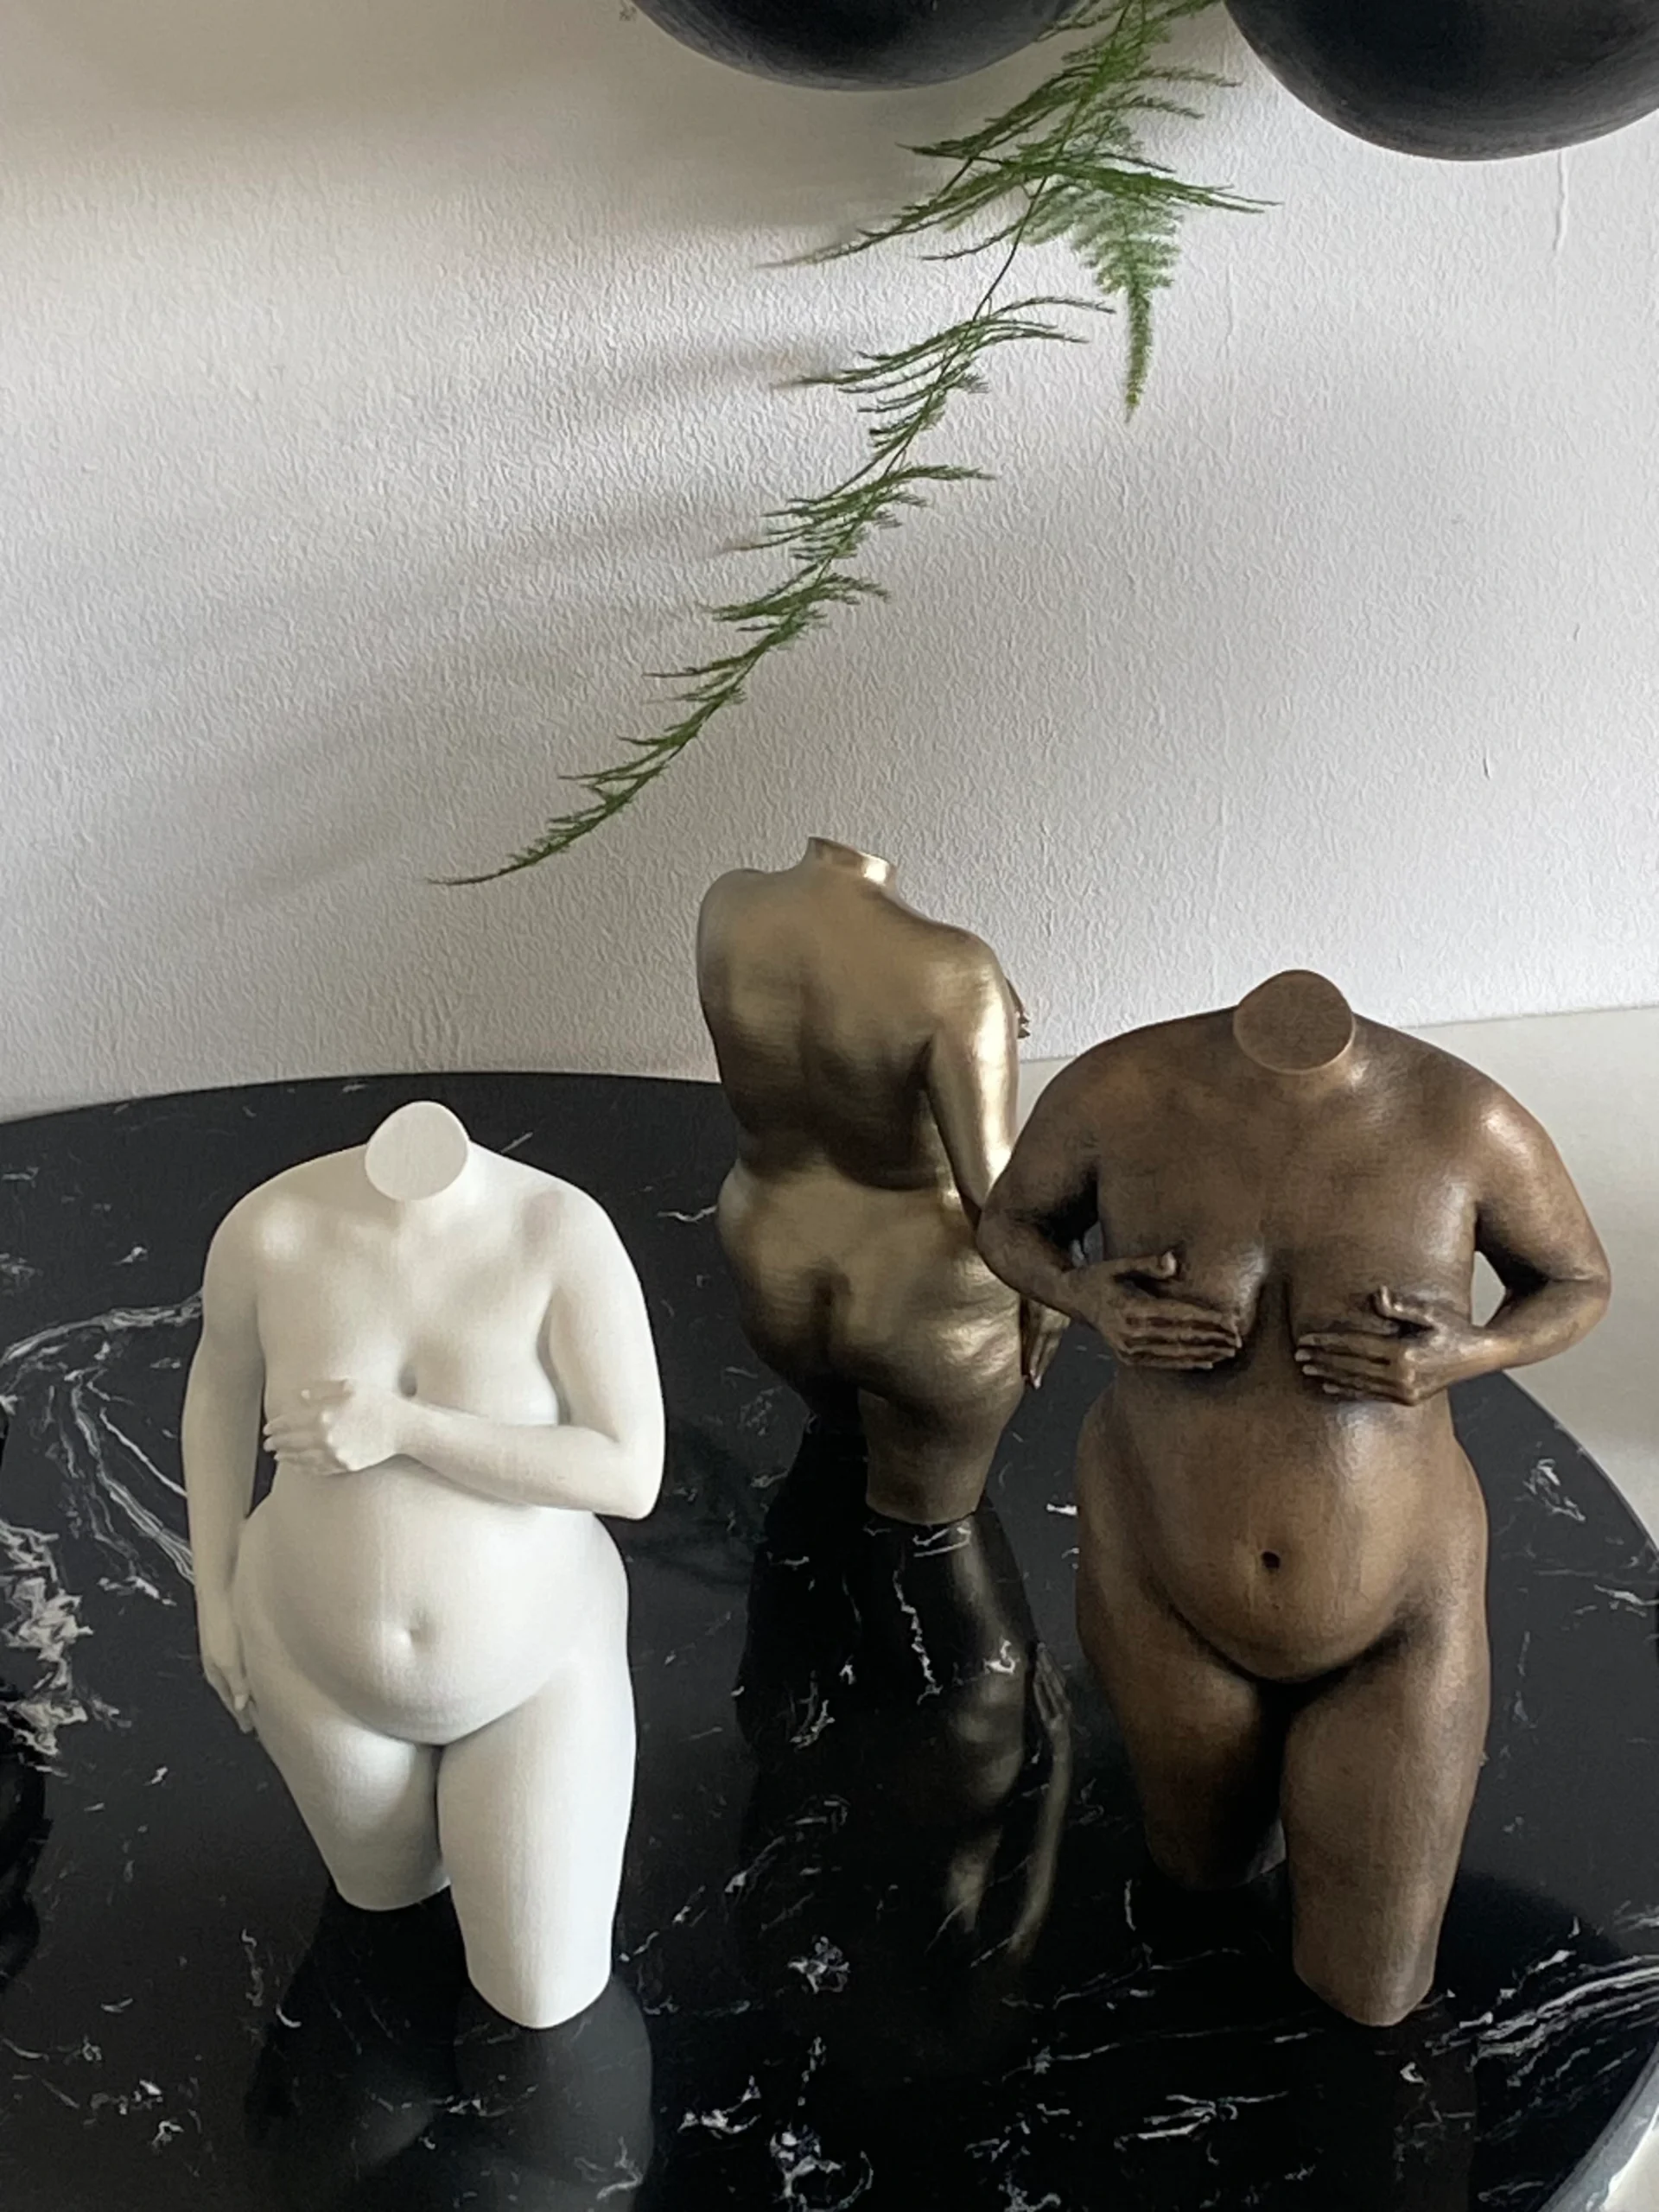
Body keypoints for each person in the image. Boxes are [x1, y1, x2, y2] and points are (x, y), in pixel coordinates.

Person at [976, 970, 1610, 2024]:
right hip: (1163, 1578)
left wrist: (1467, 1351)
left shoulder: (1466, 1121)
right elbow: (1010, 1226)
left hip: (1396, 1613)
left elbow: (1578, 1280)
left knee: (1374, 1990)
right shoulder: (1119, 1091)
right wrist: (1088, 1298)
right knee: (1200, 1880)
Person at [182, 1100, 664, 2030]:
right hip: (309, 1659)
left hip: (533, 1669)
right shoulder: (271, 1231)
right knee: (379, 1918)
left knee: (541, 1996)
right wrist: (216, 1598)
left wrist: (404, 1427)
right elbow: (219, 1395)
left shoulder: (558, 1233)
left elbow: (629, 1471)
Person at [697, 837, 1063, 1525]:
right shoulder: (955, 968)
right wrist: (1058, 1285)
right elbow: (993, 1193)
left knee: (819, 1500)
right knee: (927, 1539)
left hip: (770, 1261)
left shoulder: (728, 905)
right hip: (920, 1299)